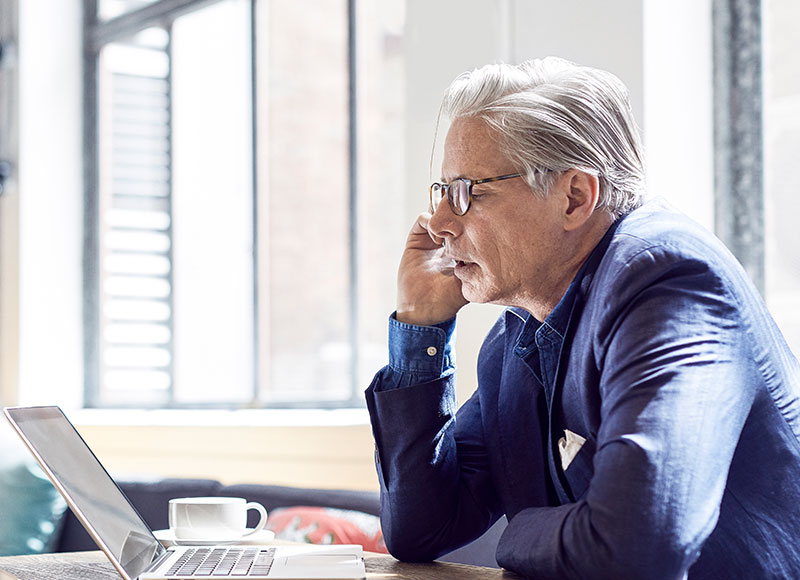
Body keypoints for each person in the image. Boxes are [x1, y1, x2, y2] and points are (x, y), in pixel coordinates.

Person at [364, 57, 800, 580]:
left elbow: (635, 545)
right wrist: (420, 331)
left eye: (467, 192)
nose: (437, 224)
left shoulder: (669, 282)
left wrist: (518, 531)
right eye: (441, 192)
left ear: (574, 197)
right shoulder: (521, 335)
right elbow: (421, 531)